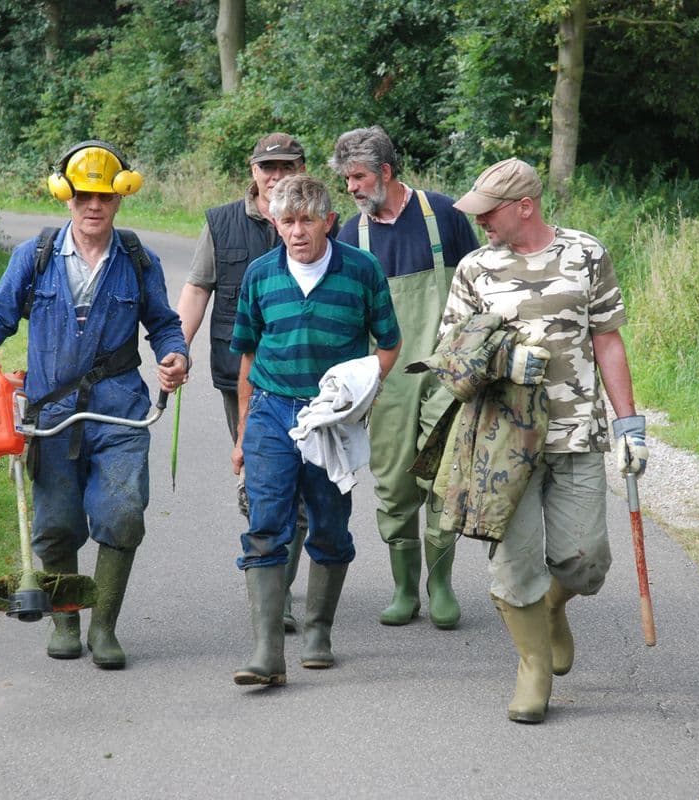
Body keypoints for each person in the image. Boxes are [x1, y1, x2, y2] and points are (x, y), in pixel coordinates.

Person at [0, 140, 189, 670]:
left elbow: (164, 323)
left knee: (123, 514)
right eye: (84, 195)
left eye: (105, 197)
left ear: (119, 199)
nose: (94, 206)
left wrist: (174, 356)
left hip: (120, 409)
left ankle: (104, 627)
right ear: (66, 197)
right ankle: (66, 619)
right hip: (50, 414)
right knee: (56, 526)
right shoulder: (35, 255)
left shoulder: (137, 259)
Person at [444, 157, 648, 723]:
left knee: (585, 562)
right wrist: (506, 359)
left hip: (576, 431)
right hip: (504, 440)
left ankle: (554, 607)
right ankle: (533, 668)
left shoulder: (586, 255)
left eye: (489, 211)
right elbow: (452, 353)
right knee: (516, 564)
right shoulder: (474, 268)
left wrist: (631, 424)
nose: (480, 221)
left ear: (524, 206)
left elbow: (608, 340)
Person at [228, 174, 402, 686]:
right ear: (274, 224)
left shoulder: (362, 271)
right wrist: (243, 435)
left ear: (329, 221)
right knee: (265, 523)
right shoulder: (260, 276)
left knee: (328, 524)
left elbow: (388, 344)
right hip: (271, 411)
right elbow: (248, 355)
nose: (297, 231)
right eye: (287, 221)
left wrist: (356, 393)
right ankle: (266, 651)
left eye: (307, 220)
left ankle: (319, 630)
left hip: (332, 420)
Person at [329, 126, 479, 629]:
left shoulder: (445, 216)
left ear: (386, 172)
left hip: (444, 371)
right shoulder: (351, 235)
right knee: (393, 483)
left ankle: (440, 585)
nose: (350, 187)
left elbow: (481, 288)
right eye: (346, 179)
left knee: (442, 477)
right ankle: (402, 589)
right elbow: (348, 315)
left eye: (357, 176)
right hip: (388, 379)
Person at [176, 132, 321, 634]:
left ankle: (277, 594)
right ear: (253, 171)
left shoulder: (325, 220)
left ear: (302, 168)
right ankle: (270, 576)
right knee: (263, 485)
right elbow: (197, 287)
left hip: (310, 380)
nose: (276, 175)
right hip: (237, 374)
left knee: (299, 492)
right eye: (267, 167)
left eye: (286, 166)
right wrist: (178, 346)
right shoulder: (221, 222)